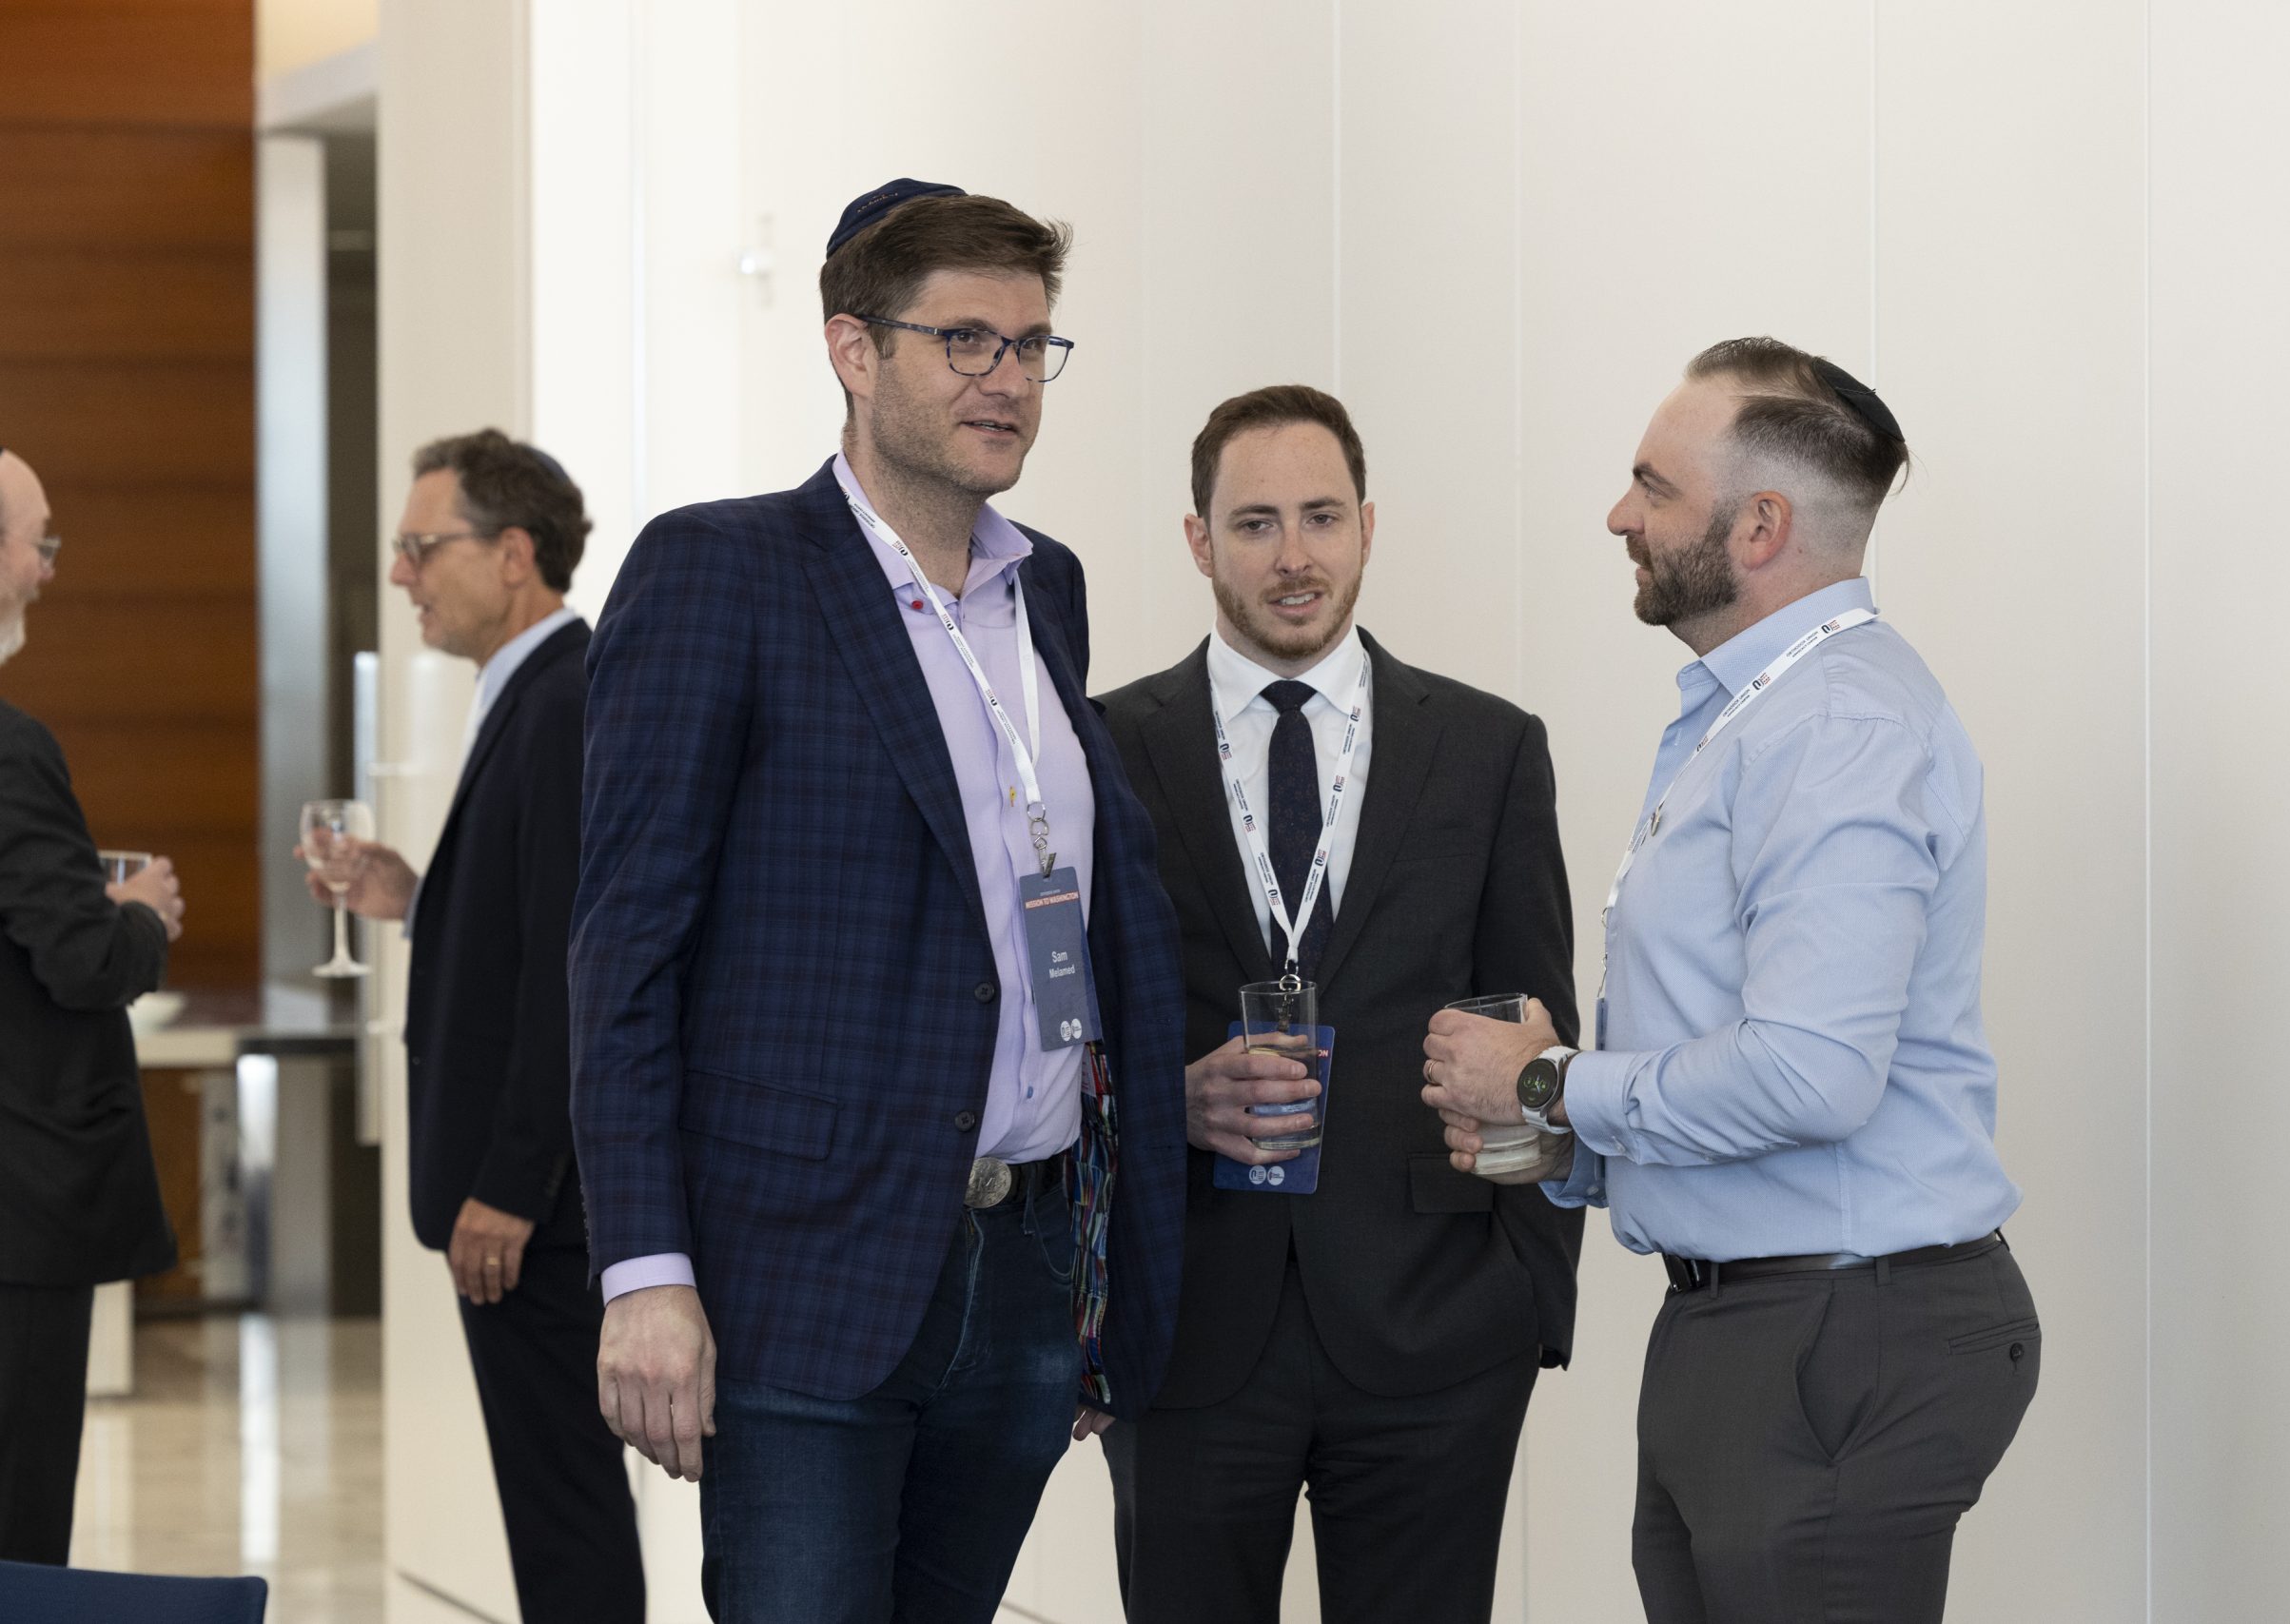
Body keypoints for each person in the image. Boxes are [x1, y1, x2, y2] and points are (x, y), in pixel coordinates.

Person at [571, 180, 1187, 1622]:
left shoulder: (1047, 590)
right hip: (807, 1270)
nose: (1007, 379)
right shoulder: (723, 570)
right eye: (964, 339)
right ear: (854, 350)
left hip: (1026, 1264)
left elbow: (1042, 907)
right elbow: (627, 952)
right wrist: (644, 1269)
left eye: (1031, 345)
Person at [1423, 338, 2039, 1622]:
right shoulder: (1765, 712)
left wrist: (1548, 1081)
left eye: (1652, 486)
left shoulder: (1834, 726)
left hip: (1832, 1335)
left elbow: (1812, 1075)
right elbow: (1745, 1047)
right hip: (1765, 1326)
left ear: (1759, 526)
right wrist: (1571, 1140)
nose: (1619, 515)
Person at [1095, 386, 1583, 1621]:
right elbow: (1060, 1035)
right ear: (1199, 540)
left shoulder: (1487, 747)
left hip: (1438, 1334)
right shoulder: (1102, 750)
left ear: (1367, 525)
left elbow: (1539, 1027)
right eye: (1254, 523)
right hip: (1187, 1328)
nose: (1294, 556)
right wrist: (1165, 1103)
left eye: (1321, 516)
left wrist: (1529, 1301)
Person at [296, 431, 642, 1622]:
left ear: (511, 555)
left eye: (419, 546)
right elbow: (525, 920)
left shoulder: (562, 701)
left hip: (532, 1214)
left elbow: (571, 972)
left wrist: (510, 1183)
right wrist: (418, 897)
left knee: (564, 1513)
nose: (401, 573)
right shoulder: (530, 694)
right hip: (525, 1205)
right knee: (552, 1507)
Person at [0, 446, 186, 1564]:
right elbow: (80, 964)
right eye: (40, 543)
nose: (49, 571)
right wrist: (142, 917)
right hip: (20, 1215)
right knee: (20, 1532)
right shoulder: (13, 751)